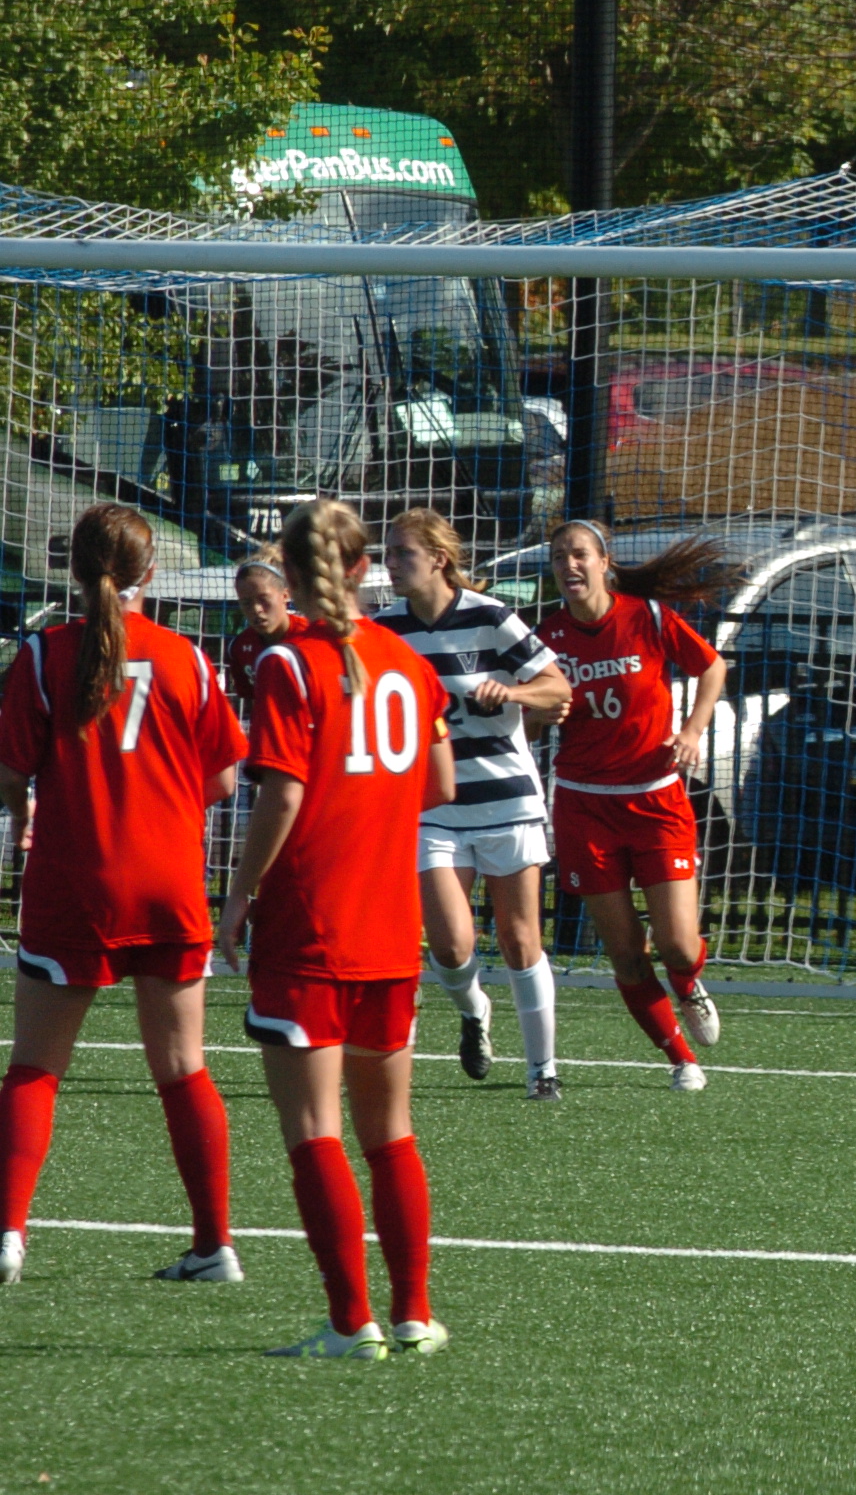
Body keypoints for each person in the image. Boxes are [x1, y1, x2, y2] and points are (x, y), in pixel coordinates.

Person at [218, 499, 456, 1359]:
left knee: (315, 1130)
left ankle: (351, 1322)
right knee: (390, 1133)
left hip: (313, 924)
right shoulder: (408, 662)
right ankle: (415, 1314)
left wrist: (237, 895)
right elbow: (440, 784)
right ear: (364, 568)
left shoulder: (289, 663)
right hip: (390, 926)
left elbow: (281, 793)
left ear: (290, 573)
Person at [0, 505, 249, 1286]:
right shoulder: (188, 658)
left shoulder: (43, 654)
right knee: (183, 1068)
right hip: (169, 881)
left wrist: (27, 813)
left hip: (76, 879)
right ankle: (214, 1245)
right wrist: (158, 801)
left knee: (35, 1069)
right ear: (150, 573)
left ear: (73, 570)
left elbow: (11, 771)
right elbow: (224, 778)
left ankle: (8, 1234)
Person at [376, 509, 573, 1100]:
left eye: (403, 553)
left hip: (506, 801)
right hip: (433, 807)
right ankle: (473, 1009)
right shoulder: (385, 630)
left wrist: (511, 691)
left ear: (439, 559)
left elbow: (558, 687)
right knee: (449, 945)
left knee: (520, 939)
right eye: (387, 552)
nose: (390, 564)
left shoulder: (491, 617)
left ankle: (542, 1070)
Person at [535, 521, 731, 1090]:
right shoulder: (545, 638)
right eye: (558, 557)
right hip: (585, 806)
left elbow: (712, 666)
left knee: (678, 946)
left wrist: (692, 730)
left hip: (655, 799)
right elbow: (527, 720)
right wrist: (537, 712)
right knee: (625, 953)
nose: (568, 565)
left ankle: (688, 984)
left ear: (604, 562)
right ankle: (681, 1060)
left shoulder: (647, 617)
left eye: (579, 554)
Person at [223, 558, 307, 706]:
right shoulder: (239, 648)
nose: (256, 609)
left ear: (285, 596)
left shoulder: (311, 637)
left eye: (263, 599)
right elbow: (252, 700)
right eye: (246, 603)